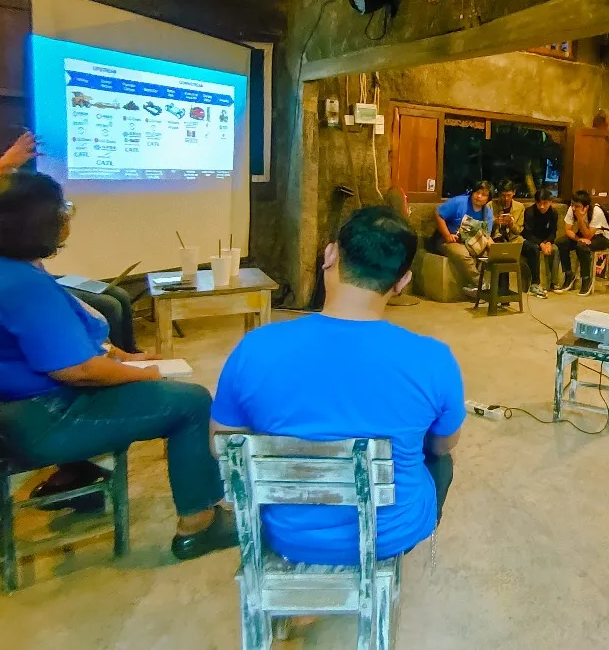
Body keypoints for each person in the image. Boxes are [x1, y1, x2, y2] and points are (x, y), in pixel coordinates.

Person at [0, 172, 235, 560]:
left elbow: (66, 338)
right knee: (191, 402)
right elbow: (77, 370)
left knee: (161, 389)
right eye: (62, 210)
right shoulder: (18, 284)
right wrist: (140, 374)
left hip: (11, 408)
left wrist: (121, 357)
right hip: (40, 417)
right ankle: (197, 525)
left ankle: (74, 475)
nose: (67, 219)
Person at [211, 206, 464, 565]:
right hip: (389, 535)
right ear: (403, 280)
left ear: (330, 255)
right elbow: (442, 444)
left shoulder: (255, 348)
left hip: (284, 533)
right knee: (440, 456)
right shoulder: (434, 359)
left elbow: (223, 446)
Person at [0, 137, 140, 354]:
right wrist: (5, 164)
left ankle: (131, 354)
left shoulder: (6, 213)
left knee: (117, 294)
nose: (4, 184)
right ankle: (114, 359)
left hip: (29, 277)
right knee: (108, 305)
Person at [431, 180, 494, 292]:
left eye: (483, 195)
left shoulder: (487, 213)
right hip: (450, 240)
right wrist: (447, 235)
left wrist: (494, 250)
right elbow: (439, 214)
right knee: (464, 254)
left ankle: (487, 287)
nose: (479, 196)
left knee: (489, 255)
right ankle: (480, 284)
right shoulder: (459, 202)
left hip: (473, 242)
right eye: (477, 192)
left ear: (488, 199)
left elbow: (486, 235)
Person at [555, 189, 609, 296]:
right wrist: (578, 239)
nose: (573, 208)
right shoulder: (572, 209)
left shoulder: (596, 212)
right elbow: (568, 230)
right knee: (561, 242)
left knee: (582, 247)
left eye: (577, 206)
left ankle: (586, 279)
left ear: (585, 207)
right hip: (583, 235)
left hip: (602, 237)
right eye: (572, 205)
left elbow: (588, 235)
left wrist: (580, 218)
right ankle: (569, 274)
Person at [521, 189, 559, 298]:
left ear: (550, 202)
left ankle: (554, 283)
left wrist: (548, 242)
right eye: (539, 203)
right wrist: (541, 243)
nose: (542, 206)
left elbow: (553, 232)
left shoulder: (553, 213)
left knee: (555, 249)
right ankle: (535, 283)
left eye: (545, 203)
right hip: (532, 240)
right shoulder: (529, 212)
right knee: (534, 249)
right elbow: (527, 233)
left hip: (546, 241)